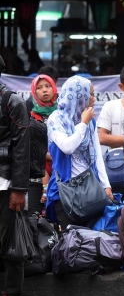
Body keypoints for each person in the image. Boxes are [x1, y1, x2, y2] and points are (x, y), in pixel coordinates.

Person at [45, 76, 114, 229]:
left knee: (90, 241)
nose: (94, 99)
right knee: (69, 241)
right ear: (80, 95)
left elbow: (97, 156)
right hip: (66, 192)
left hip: (91, 191)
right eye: (91, 94)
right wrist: (82, 123)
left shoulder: (91, 122)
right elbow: (67, 147)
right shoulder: (56, 119)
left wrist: (106, 185)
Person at [0, 54, 31, 296]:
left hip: (5, 184)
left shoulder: (13, 102)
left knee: (11, 243)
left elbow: (21, 148)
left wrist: (19, 189)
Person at [27, 74, 58, 215]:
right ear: (34, 92)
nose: (44, 90)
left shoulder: (62, 113)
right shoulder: (30, 115)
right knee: (35, 215)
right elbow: (28, 144)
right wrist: (46, 156)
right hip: (37, 170)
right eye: (39, 88)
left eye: (48, 86)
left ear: (54, 88)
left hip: (61, 168)